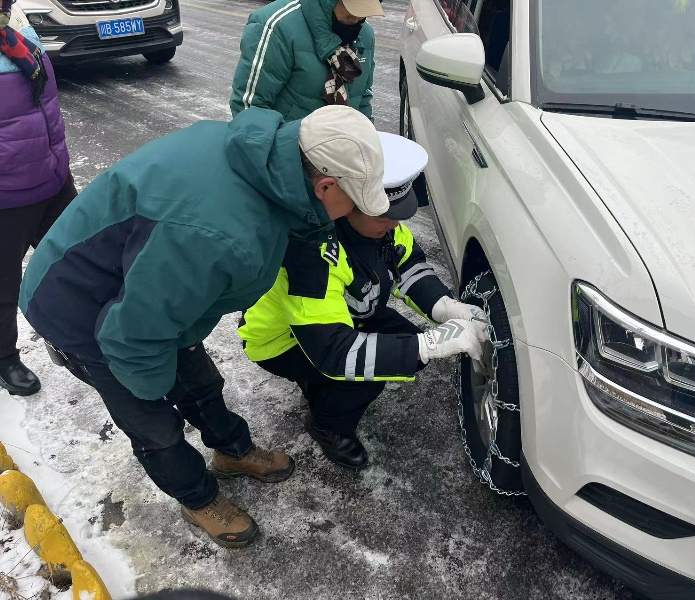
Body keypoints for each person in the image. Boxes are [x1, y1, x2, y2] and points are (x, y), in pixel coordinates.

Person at [18, 105, 404, 549]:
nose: (352, 211)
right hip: (78, 306)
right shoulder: (216, 232)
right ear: (326, 183)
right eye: (354, 201)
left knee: (200, 381)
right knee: (154, 423)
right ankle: (197, 497)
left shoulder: (271, 165)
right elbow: (132, 336)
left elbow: (301, 223)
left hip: (144, 287)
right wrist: (154, 391)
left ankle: (231, 450)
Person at [239, 133, 489, 470]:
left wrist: (445, 306)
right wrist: (428, 344)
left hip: (342, 316)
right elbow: (334, 352)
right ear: (348, 202)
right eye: (384, 216)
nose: (395, 225)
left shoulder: (381, 224)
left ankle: (319, 387)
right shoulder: (311, 255)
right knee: (369, 372)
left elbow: (410, 265)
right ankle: (327, 426)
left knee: (400, 339)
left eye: (397, 214)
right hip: (283, 341)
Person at [0, 0, 76, 397]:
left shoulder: (17, 28)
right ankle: (4, 358)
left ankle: (75, 335)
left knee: (78, 263)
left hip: (53, 178)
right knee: (3, 285)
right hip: (6, 196)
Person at [229, 0, 382, 120]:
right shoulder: (278, 26)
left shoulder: (365, 34)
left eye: (363, 14)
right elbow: (249, 108)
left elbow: (363, 98)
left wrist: (365, 142)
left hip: (341, 150)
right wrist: (278, 154)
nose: (356, 20)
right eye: (350, 13)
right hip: (286, 151)